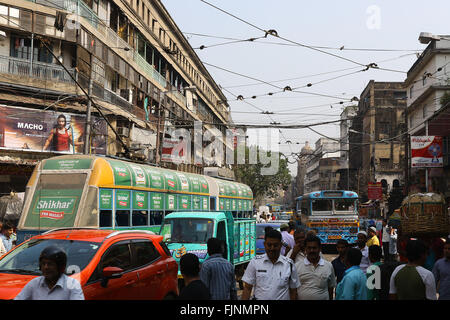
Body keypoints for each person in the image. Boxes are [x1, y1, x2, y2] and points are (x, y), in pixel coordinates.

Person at [241, 228, 299, 300]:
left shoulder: (289, 264)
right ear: (264, 244)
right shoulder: (255, 262)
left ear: (281, 245)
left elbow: (293, 291)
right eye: (269, 245)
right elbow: (247, 288)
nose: (272, 248)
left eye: (275, 245)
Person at [15, 246, 84, 300]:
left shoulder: (72, 285)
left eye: (50, 264)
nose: (46, 267)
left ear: (60, 267)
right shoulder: (34, 284)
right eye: (43, 264)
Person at [295, 235, 336, 300]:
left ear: (320, 248)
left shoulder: (328, 266)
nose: (312, 250)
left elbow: (330, 288)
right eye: (309, 248)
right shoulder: (297, 266)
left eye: (314, 248)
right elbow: (293, 290)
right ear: (305, 248)